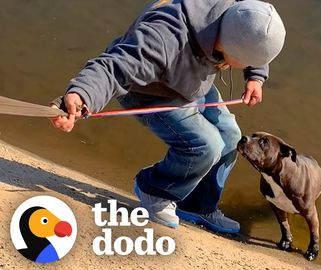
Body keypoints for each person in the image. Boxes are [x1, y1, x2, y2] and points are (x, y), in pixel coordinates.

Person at [50, 0, 286, 234]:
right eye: (250, 62)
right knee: (206, 146)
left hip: (191, 81)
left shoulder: (233, 14)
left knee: (231, 136)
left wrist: (255, 75)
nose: (252, 65)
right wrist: (82, 95)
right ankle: (155, 190)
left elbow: (254, 26)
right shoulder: (163, 40)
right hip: (151, 93)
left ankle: (197, 206)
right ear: (231, 46)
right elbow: (113, 67)